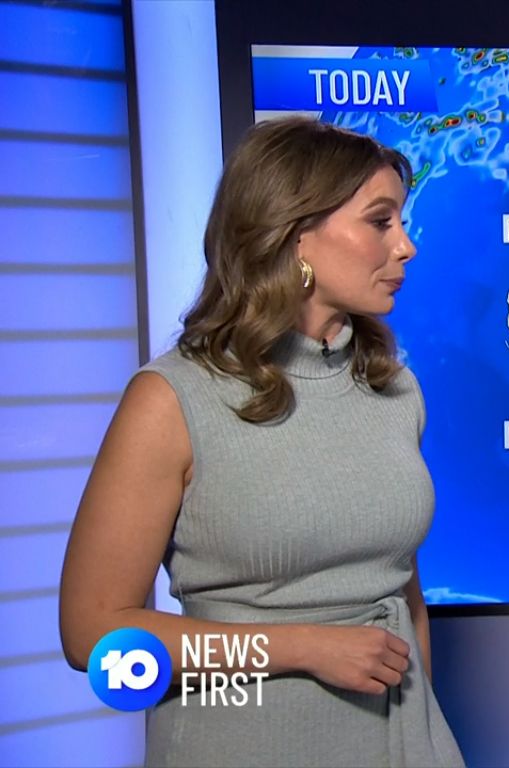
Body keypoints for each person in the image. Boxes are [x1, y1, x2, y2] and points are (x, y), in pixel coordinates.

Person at [59, 117, 465, 767]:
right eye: (380, 222)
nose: (406, 246)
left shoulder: (395, 390)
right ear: (295, 234)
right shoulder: (172, 400)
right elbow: (93, 634)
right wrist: (303, 648)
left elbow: (401, 592)